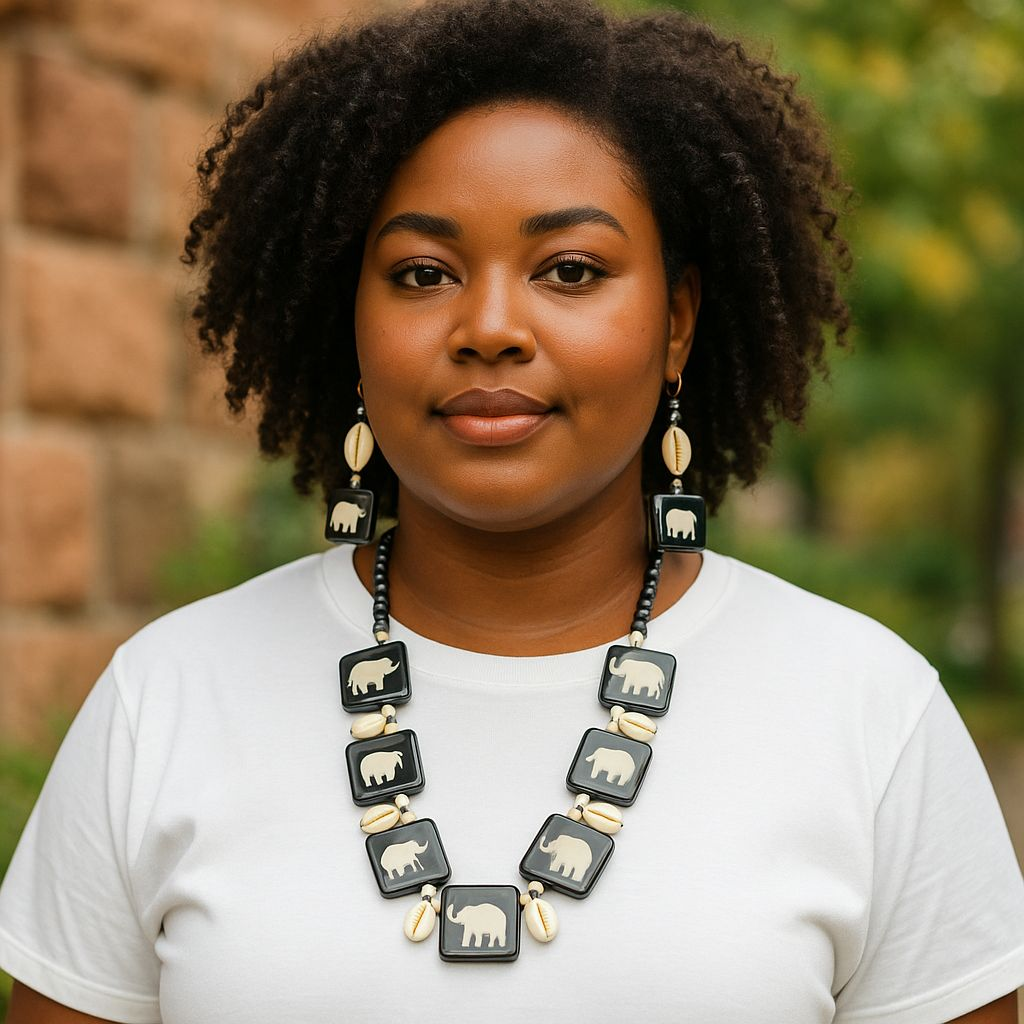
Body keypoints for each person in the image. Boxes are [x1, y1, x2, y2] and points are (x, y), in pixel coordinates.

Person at [2, 0, 1023, 1019]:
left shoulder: (866, 712)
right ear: (348, 315)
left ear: (676, 322)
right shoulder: (165, 698)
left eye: (569, 270)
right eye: (423, 273)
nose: (489, 326)